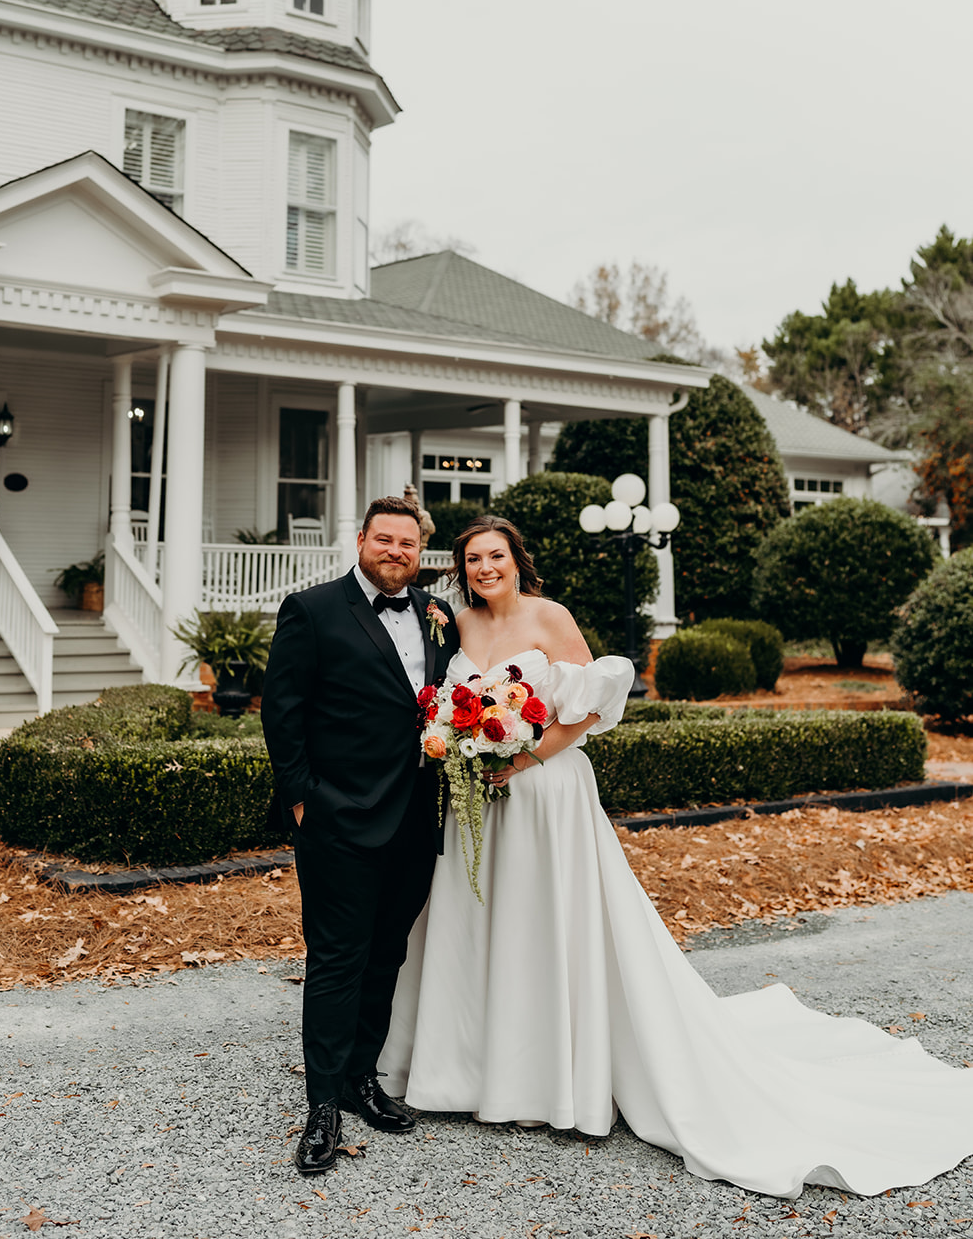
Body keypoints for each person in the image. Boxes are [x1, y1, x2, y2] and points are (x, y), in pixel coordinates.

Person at [379, 514, 973, 1200]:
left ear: (517, 560)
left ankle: (554, 1076)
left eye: (496, 556)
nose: (485, 568)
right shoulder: (458, 625)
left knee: (553, 927)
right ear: (461, 568)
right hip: (478, 800)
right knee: (483, 923)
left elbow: (588, 709)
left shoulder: (550, 617)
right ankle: (471, 1067)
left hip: (547, 793)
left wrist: (522, 756)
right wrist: (464, 745)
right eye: (473, 559)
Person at [261, 496, 458, 1175]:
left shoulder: (438, 617)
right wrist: (299, 800)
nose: (396, 552)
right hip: (338, 818)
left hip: (416, 815)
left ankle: (360, 1078)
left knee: (386, 955)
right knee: (338, 958)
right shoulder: (311, 610)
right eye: (385, 539)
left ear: (418, 552)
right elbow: (281, 711)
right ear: (360, 540)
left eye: (408, 543)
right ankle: (321, 1106)